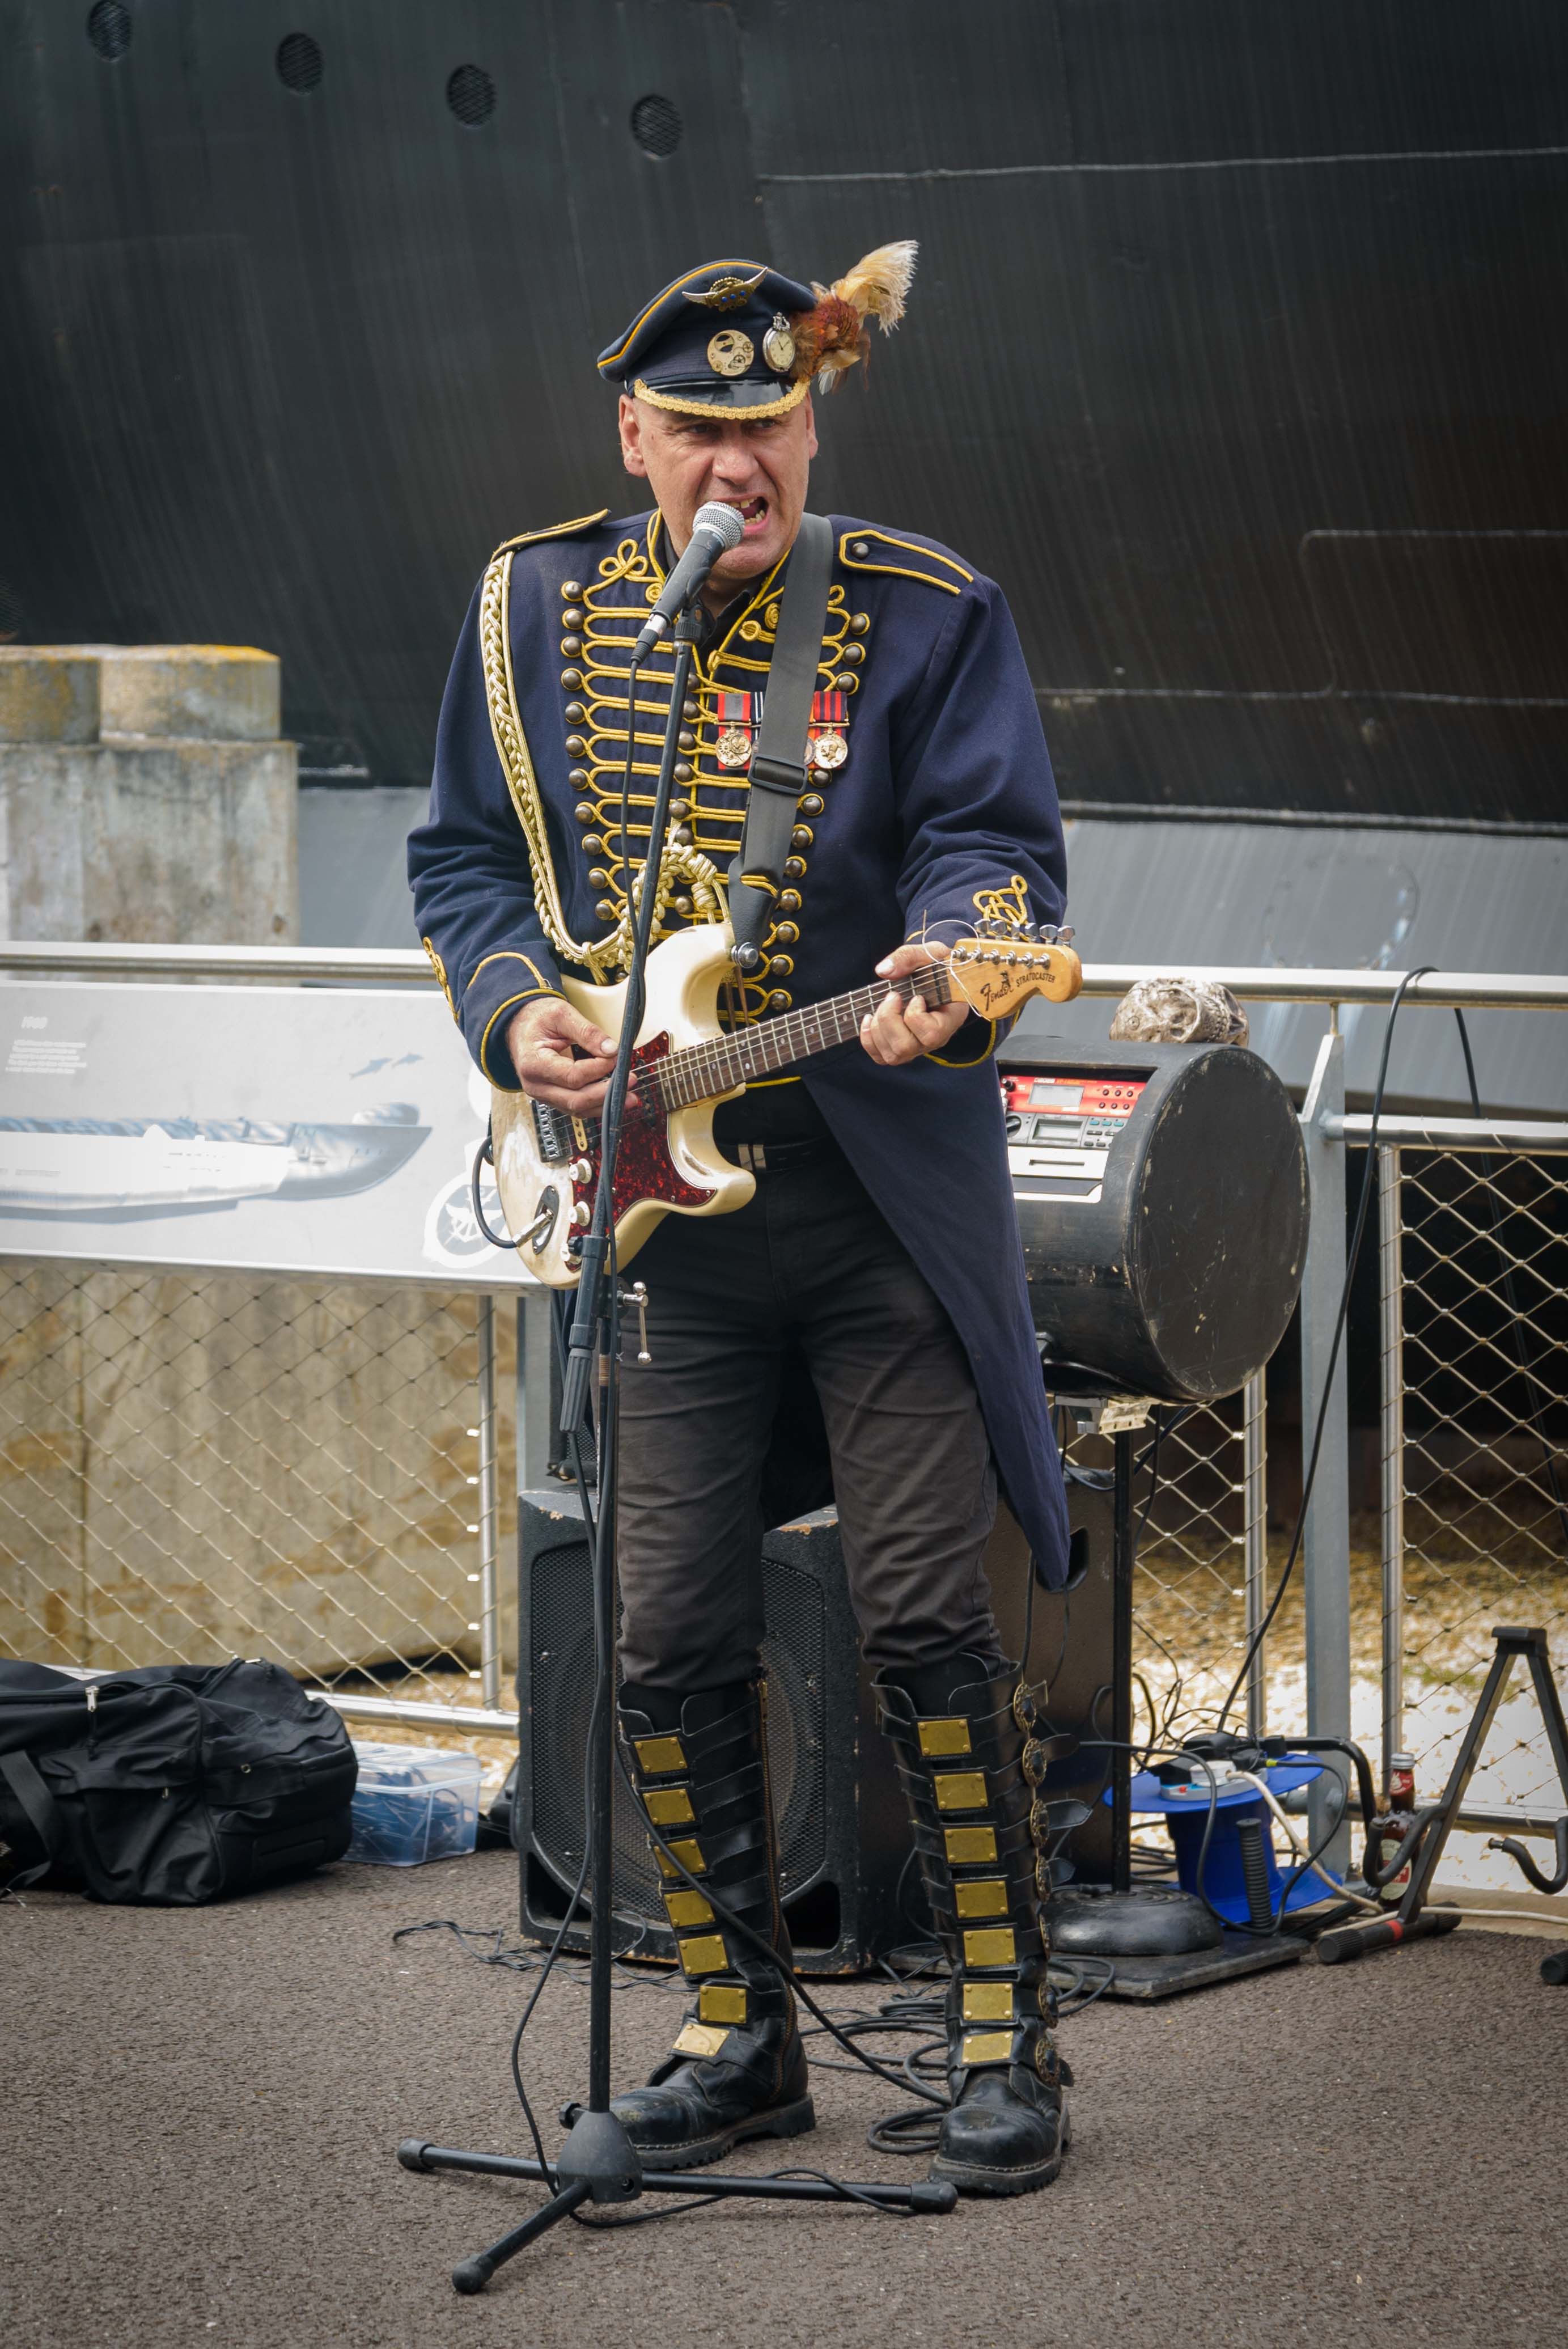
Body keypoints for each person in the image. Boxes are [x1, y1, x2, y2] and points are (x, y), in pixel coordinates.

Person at [409, 246, 1075, 2196]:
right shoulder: (534, 607)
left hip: (874, 1197)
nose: (738, 464)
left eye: (768, 424)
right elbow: (464, 861)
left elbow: (991, 849)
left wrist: (953, 960)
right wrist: (512, 1011)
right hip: (658, 1221)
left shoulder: (927, 611)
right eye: (698, 430)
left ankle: (1000, 2032)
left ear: (813, 423)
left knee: (925, 1611)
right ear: (635, 437)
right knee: (667, 1630)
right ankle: (736, 2031)